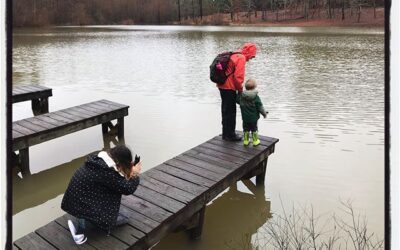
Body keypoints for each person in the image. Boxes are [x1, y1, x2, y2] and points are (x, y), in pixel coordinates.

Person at [61, 145, 141, 245]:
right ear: (120, 162)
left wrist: (128, 169)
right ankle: (82, 231)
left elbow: (116, 178)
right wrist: (135, 174)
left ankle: (83, 221)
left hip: (73, 203)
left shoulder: (96, 161)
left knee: (113, 206)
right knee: (125, 217)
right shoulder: (106, 172)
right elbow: (127, 188)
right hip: (82, 205)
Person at [218, 42, 257, 141]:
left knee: (225, 110)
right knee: (231, 112)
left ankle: (225, 133)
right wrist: (240, 90)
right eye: (252, 56)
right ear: (249, 52)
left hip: (222, 85)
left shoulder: (234, 54)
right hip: (229, 87)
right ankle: (230, 135)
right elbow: (238, 77)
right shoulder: (241, 58)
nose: (251, 59)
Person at [237, 78, 267, 146]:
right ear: (254, 87)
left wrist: (238, 92)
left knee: (246, 129)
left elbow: (238, 100)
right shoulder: (256, 97)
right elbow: (260, 107)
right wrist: (264, 114)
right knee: (254, 129)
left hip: (245, 118)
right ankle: (255, 141)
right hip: (253, 118)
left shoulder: (242, 96)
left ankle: (246, 141)